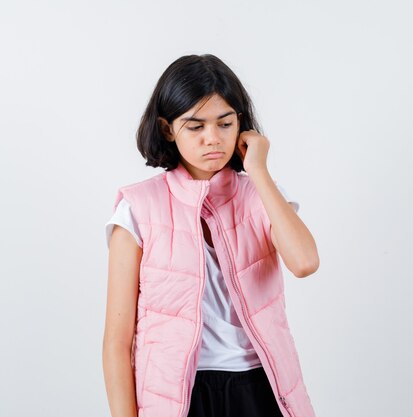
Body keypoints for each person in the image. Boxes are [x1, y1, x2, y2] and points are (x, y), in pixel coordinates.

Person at [102, 54, 319, 417]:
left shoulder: (262, 197)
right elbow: (117, 342)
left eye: (225, 123)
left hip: (260, 387)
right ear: (168, 128)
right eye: (195, 126)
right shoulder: (137, 208)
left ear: (241, 125)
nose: (212, 139)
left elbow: (305, 262)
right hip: (178, 396)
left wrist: (259, 172)